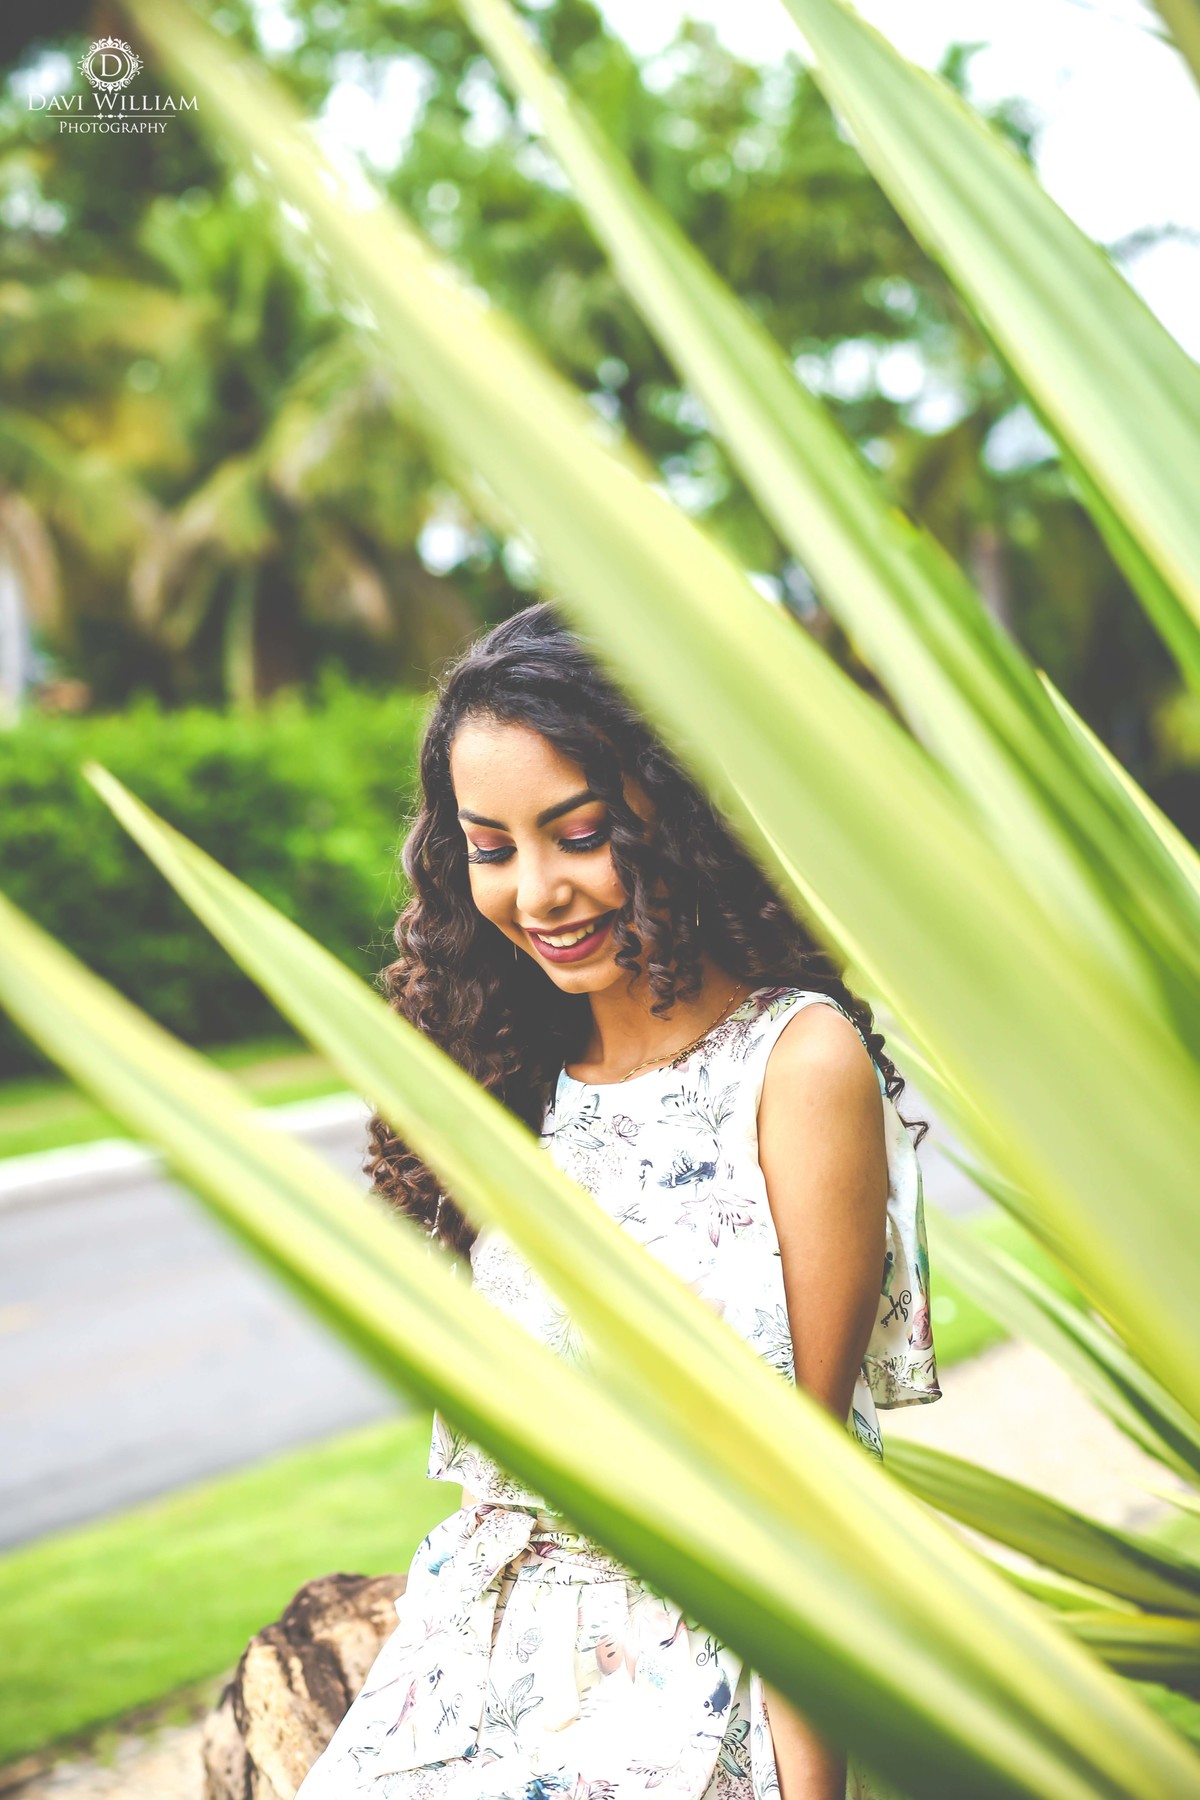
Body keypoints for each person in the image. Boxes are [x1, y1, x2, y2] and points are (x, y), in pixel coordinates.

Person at [297, 603, 939, 1800]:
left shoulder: (795, 1064)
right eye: (491, 848)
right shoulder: (514, 1077)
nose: (537, 891)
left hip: (688, 1698)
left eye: (578, 833)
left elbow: (807, 1496)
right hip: (465, 1677)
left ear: (675, 815)